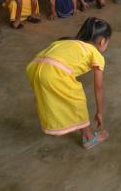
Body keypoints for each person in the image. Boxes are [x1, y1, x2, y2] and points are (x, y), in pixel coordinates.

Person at [26, 17, 111, 149]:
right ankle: (88, 138)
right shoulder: (96, 54)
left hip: (34, 67)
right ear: (102, 41)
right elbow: (98, 87)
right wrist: (99, 112)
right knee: (77, 100)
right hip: (55, 72)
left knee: (50, 96)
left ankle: (55, 125)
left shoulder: (69, 42)